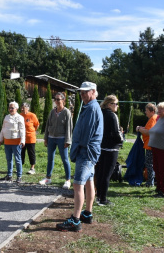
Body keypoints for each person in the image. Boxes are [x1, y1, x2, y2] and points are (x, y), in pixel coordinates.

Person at [56, 81, 103, 232]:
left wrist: (75, 149)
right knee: (89, 181)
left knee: (77, 184)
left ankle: (75, 221)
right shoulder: (90, 106)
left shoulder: (92, 108)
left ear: (93, 92)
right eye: (81, 92)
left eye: (85, 92)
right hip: (89, 152)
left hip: (86, 152)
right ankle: (87, 213)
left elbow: (86, 135)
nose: (82, 94)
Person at [39, 92, 73, 189]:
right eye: (55, 99)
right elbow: (47, 125)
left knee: (65, 159)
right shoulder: (52, 112)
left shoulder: (67, 112)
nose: (56, 101)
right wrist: (45, 138)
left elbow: (69, 128)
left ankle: (67, 180)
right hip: (51, 138)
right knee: (50, 158)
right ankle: (48, 178)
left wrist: (68, 141)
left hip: (62, 139)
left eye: (58, 99)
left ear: (63, 100)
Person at [95, 95, 123, 206]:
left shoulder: (101, 114)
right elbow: (116, 133)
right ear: (108, 104)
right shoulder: (112, 116)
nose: (117, 106)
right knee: (107, 174)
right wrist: (121, 138)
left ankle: (98, 197)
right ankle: (103, 199)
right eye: (115, 103)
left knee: (101, 173)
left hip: (101, 147)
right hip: (111, 148)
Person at [0, 101, 25, 183]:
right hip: (7, 141)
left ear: (16, 108)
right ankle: (9, 175)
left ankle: (19, 176)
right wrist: (0, 140)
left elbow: (22, 130)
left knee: (17, 159)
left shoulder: (20, 117)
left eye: (12, 108)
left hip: (16, 141)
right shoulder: (6, 117)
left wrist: (23, 140)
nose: (10, 109)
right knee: (9, 159)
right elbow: (3, 129)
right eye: (9, 108)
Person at [135, 103, 158, 187]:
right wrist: (142, 128)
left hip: (150, 145)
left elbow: (149, 132)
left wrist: (139, 129)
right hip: (152, 144)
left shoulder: (153, 119)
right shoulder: (154, 118)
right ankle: (151, 181)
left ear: (152, 111)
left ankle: (150, 182)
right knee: (151, 164)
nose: (145, 112)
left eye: (146, 110)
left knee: (149, 164)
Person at [20, 103, 40, 175]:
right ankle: (20, 167)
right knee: (21, 153)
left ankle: (32, 168)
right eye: (21, 108)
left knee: (31, 153)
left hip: (30, 138)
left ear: (27, 108)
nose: (22, 109)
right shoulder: (20, 115)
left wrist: (32, 131)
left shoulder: (32, 115)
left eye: (23, 107)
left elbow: (37, 125)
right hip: (22, 138)